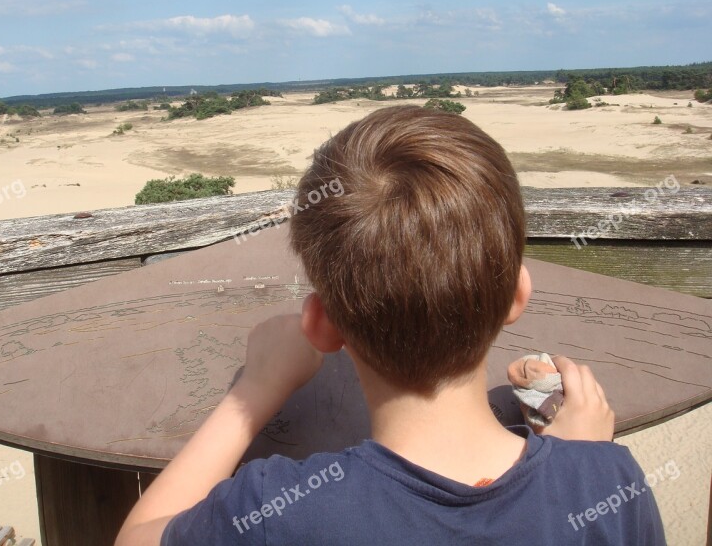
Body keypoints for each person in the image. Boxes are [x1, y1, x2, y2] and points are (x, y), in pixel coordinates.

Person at [115, 106, 665, 545]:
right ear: (517, 296)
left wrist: (253, 393)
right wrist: (581, 463)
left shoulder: (278, 513)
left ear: (321, 326)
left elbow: (138, 538)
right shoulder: (611, 485)